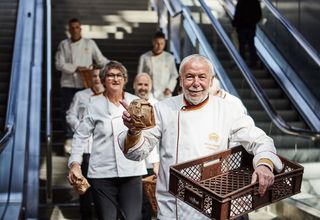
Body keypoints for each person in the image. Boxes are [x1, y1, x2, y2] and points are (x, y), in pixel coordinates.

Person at [119, 54, 283, 220]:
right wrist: (134, 131)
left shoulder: (228, 110)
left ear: (211, 81)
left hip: (213, 207)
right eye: (189, 77)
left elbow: (260, 140)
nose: (196, 83)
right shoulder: (162, 109)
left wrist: (264, 165)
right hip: (172, 209)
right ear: (181, 80)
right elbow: (136, 153)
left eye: (202, 77)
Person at [68, 61, 145, 220]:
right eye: (110, 75)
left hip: (131, 171)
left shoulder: (136, 102)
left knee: (132, 217)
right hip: (101, 174)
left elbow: (148, 134)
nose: (115, 79)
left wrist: (155, 162)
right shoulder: (93, 105)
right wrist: (75, 163)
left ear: (125, 79)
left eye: (119, 75)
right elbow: (80, 136)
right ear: (104, 80)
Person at [55, 18, 109, 154]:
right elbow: (59, 64)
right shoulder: (63, 44)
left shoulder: (89, 43)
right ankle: (68, 139)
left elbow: (101, 59)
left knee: (86, 112)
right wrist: (76, 68)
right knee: (67, 112)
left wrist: (113, 67)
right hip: (68, 83)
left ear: (81, 29)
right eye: (72, 27)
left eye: (77, 27)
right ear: (69, 29)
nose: (75, 30)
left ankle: (88, 139)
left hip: (85, 83)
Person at [66, 68, 104, 219]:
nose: (96, 79)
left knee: (101, 188)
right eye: (94, 76)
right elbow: (70, 115)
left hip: (102, 149)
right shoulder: (80, 95)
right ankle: (86, 216)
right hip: (86, 149)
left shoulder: (110, 98)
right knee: (84, 187)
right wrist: (79, 127)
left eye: (99, 76)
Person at [133, 72, 160, 219]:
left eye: (146, 84)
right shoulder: (128, 103)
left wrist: (157, 161)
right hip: (131, 161)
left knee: (148, 202)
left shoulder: (159, 106)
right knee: (134, 202)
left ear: (150, 86)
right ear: (134, 85)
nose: (142, 88)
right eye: (139, 84)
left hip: (152, 162)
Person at [137, 31, 178, 100]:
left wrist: (169, 88)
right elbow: (139, 76)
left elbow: (174, 75)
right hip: (149, 92)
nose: (159, 46)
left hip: (164, 93)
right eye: (157, 43)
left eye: (162, 44)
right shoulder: (144, 57)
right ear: (153, 42)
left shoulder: (169, 57)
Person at [232, 0, 262, 67]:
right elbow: (259, 16)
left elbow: (237, 14)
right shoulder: (255, 2)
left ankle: (242, 63)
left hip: (241, 27)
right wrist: (252, 21)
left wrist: (234, 24)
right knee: (251, 45)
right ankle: (254, 63)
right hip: (251, 27)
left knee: (241, 46)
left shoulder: (241, 1)